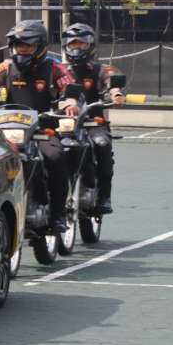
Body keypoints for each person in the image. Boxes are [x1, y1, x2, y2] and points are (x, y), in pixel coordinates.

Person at [0, 20, 78, 233]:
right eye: (18, 45)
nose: (22, 49)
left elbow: (68, 88)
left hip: (43, 128)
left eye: (27, 45)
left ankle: (57, 214)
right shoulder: (7, 66)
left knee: (55, 158)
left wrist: (70, 102)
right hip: (9, 129)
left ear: (40, 47)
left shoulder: (54, 67)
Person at [61, 22, 125, 214]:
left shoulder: (103, 70)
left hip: (93, 122)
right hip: (65, 122)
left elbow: (113, 84)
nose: (76, 48)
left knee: (102, 146)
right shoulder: (59, 69)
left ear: (90, 45)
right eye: (72, 44)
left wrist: (116, 95)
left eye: (81, 44)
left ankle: (104, 197)